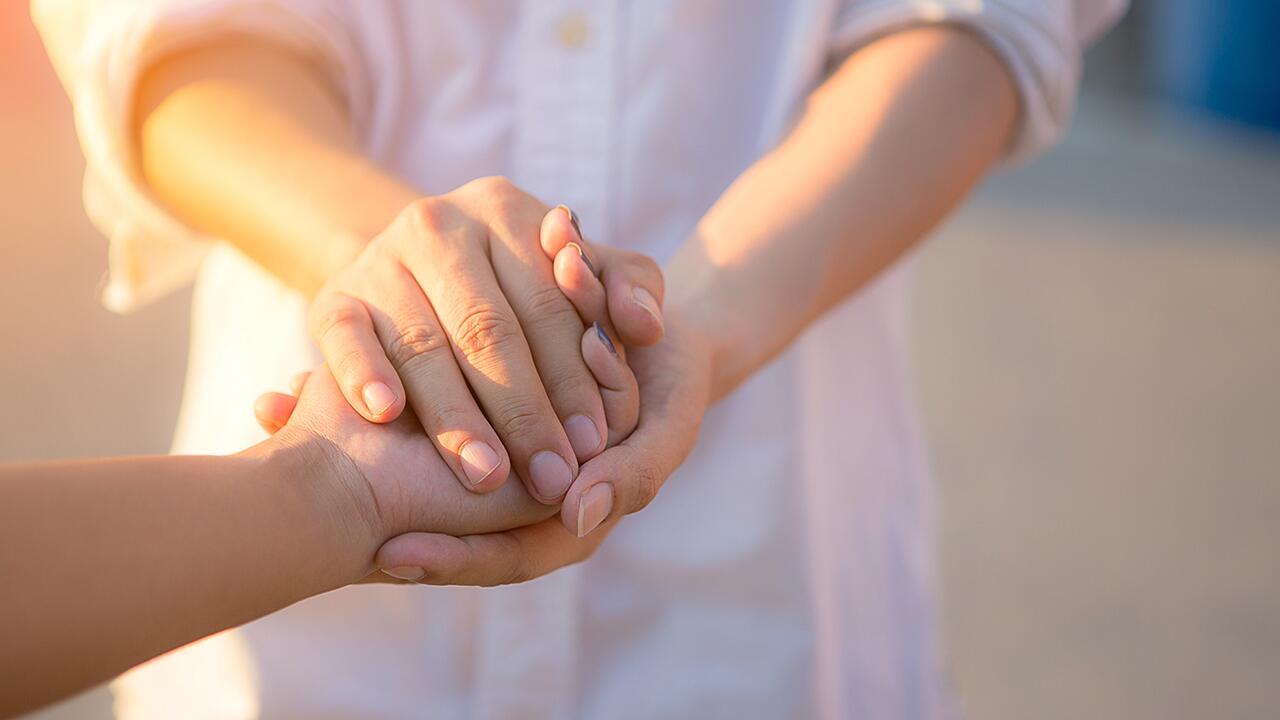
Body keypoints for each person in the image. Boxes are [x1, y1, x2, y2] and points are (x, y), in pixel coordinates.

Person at [34, 1, 1126, 717]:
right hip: (316, 641)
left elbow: (981, 25)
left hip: (758, 603)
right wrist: (398, 267)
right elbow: (154, 30)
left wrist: (698, 325)